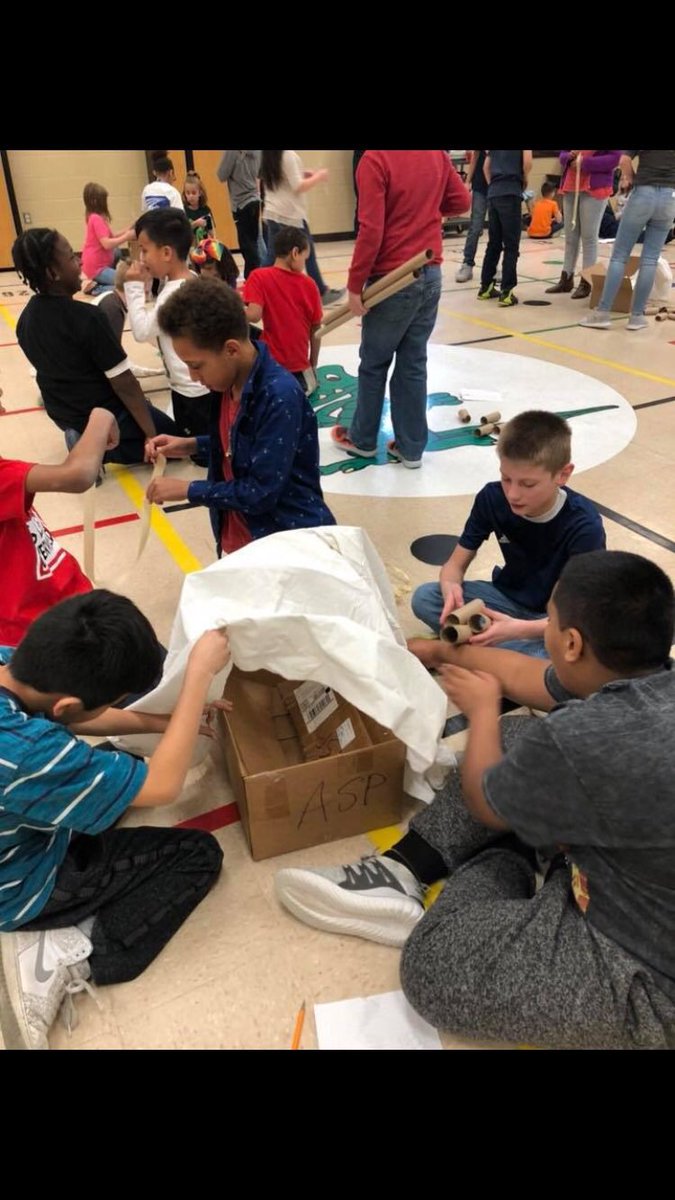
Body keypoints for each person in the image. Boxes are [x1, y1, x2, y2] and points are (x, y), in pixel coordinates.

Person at [275, 550, 675, 1050]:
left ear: (570, 643)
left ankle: (514, 852)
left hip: (646, 973)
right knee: (520, 740)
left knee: (434, 965)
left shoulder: (583, 735)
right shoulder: (647, 678)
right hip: (636, 884)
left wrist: (483, 713)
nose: (543, 633)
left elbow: (485, 802)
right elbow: (523, 675)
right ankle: (403, 869)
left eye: (548, 623)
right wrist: (436, 651)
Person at [0, 589, 229, 1050]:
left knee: (106, 768)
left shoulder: (14, 667)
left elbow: (68, 719)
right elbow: (161, 787)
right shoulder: (31, 754)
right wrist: (196, 681)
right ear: (66, 704)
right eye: (111, 701)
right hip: (17, 884)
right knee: (197, 855)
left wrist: (159, 724)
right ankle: (69, 950)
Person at [143, 276, 335, 554]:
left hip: (285, 542)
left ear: (231, 349)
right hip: (242, 531)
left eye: (196, 366)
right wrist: (192, 444)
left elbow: (261, 492)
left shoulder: (279, 396)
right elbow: (242, 442)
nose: (194, 377)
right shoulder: (226, 380)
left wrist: (188, 489)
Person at [411, 411, 606, 656]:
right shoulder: (491, 498)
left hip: (553, 619)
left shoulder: (584, 525)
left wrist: (517, 630)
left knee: (571, 650)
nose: (513, 494)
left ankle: (489, 650)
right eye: (506, 478)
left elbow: (574, 613)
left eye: (528, 484)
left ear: (562, 475)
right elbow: (454, 565)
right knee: (425, 598)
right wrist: (451, 587)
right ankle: (506, 659)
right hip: (507, 598)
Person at [330, 150, 470, 469]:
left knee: (374, 363)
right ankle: (411, 449)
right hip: (430, 272)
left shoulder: (375, 159)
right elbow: (461, 201)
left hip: (392, 279)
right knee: (413, 363)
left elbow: (371, 230)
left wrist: (355, 286)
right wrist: (426, 210)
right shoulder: (436, 153)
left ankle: (363, 440)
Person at [13, 228, 176, 464]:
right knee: (175, 443)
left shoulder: (25, 319)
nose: (79, 261)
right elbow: (125, 384)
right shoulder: (87, 317)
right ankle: (93, 447)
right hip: (102, 415)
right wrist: (152, 435)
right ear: (52, 273)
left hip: (61, 412)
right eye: (71, 257)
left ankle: (84, 437)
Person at [0, 407, 117, 647]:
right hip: (35, 627)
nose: (2, 410)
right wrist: (102, 416)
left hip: (59, 602)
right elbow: (78, 475)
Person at [123, 207, 211, 443]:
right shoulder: (190, 278)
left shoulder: (172, 294)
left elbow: (142, 332)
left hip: (191, 391)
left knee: (195, 451)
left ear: (166, 253)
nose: (141, 259)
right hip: (199, 387)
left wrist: (132, 286)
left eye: (144, 250)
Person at [580, 150, 675, 333]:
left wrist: (632, 178)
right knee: (650, 259)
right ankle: (637, 317)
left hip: (644, 193)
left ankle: (603, 313)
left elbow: (623, 160)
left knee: (619, 256)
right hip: (670, 198)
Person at [243, 225, 322, 391]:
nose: (304, 264)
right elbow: (316, 330)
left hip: (269, 364)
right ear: (295, 253)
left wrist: (231, 304)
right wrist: (312, 365)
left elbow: (254, 315)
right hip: (299, 369)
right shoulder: (310, 284)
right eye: (304, 258)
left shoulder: (258, 276)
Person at [260, 150, 344, 306]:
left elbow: (283, 175)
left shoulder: (269, 155)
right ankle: (321, 291)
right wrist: (318, 177)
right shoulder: (288, 155)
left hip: (273, 212)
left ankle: (257, 289)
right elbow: (297, 186)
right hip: (290, 215)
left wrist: (303, 173)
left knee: (272, 255)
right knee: (308, 252)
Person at [545, 150, 621, 298]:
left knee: (589, 237)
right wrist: (568, 157)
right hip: (571, 185)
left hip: (594, 188)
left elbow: (614, 159)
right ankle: (566, 278)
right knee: (570, 236)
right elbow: (562, 154)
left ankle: (586, 282)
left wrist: (585, 163)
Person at [478, 149, 533, 307]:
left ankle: (485, 287)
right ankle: (507, 292)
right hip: (511, 191)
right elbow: (527, 162)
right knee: (511, 245)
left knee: (494, 243)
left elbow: (485, 167)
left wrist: (494, 185)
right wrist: (525, 179)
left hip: (494, 193)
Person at [80, 182, 135, 296]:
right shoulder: (95, 218)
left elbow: (112, 236)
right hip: (96, 268)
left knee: (117, 252)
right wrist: (127, 236)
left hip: (99, 264)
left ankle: (100, 282)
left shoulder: (96, 217)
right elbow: (107, 244)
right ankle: (96, 288)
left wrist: (129, 228)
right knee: (127, 284)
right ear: (96, 201)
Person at [216, 150, 262, 278]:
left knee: (248, 247)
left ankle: (254, 278)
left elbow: (221, 175)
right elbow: (260, 171)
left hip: (241, 203)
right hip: (254, 200)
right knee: (253, 243)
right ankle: (253, 276)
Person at [455, 150, 489, 283]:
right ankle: (467, 264)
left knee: (496, 229)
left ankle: (494, 265)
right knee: (475, 226)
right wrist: (468, 181)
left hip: (497, 183)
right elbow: (475, 156)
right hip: (480, 185)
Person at [182, 170, 215, 243]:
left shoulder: (206, 210)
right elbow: (182, 232)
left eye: (194, 193)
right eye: (188, 193)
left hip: (204, 247)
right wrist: (195, 224)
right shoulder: (183, 211)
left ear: (199, 193)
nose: (191, 196)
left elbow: (212, 232)